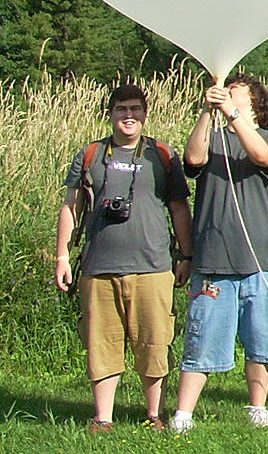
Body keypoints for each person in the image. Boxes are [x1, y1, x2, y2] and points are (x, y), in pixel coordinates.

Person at [54, 83, 193, 435]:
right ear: (110, 114)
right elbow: (72, 206)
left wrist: (187, 256)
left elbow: (179, 208)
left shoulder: (161, 155)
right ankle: (103, 418)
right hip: (98, 267)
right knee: (101, 344)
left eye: (135, 109)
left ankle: (154, 415)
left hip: (153, 267)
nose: (128, 116)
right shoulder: (90, 154)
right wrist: (62, 256)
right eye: (121, 109)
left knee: (155, 342)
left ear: (145, 115)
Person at [169, 74, 268, 432]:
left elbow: (261, 156)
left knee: (263, 340)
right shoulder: (213, 139)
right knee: (201, 337)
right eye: (223, 96)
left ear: (255, 104)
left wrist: (233, 116)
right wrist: (208, 112)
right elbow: (192, 159)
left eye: (235, 97)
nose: (227, 100)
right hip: (214, 260)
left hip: (264, 261)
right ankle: (184, 414)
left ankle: (257, 407)